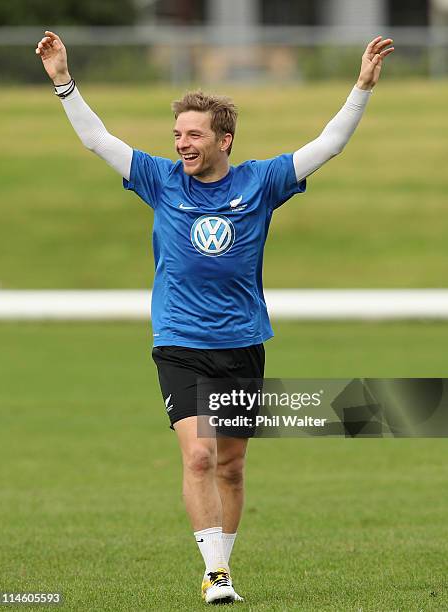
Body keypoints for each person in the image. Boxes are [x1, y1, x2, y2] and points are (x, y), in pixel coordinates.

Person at [36, 31, 394, 604]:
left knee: (230, 464)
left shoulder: (261, 182)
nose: (182, 143)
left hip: (244, 341)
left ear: (223, 139)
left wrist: (362, 87)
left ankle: (222, 566)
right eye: (177, 133)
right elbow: (97, 139)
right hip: (179, 341)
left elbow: (328, 145)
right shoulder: (160, 180)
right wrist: (62, 80)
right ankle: (215, 574)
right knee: (199, 453)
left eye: (194, 134)